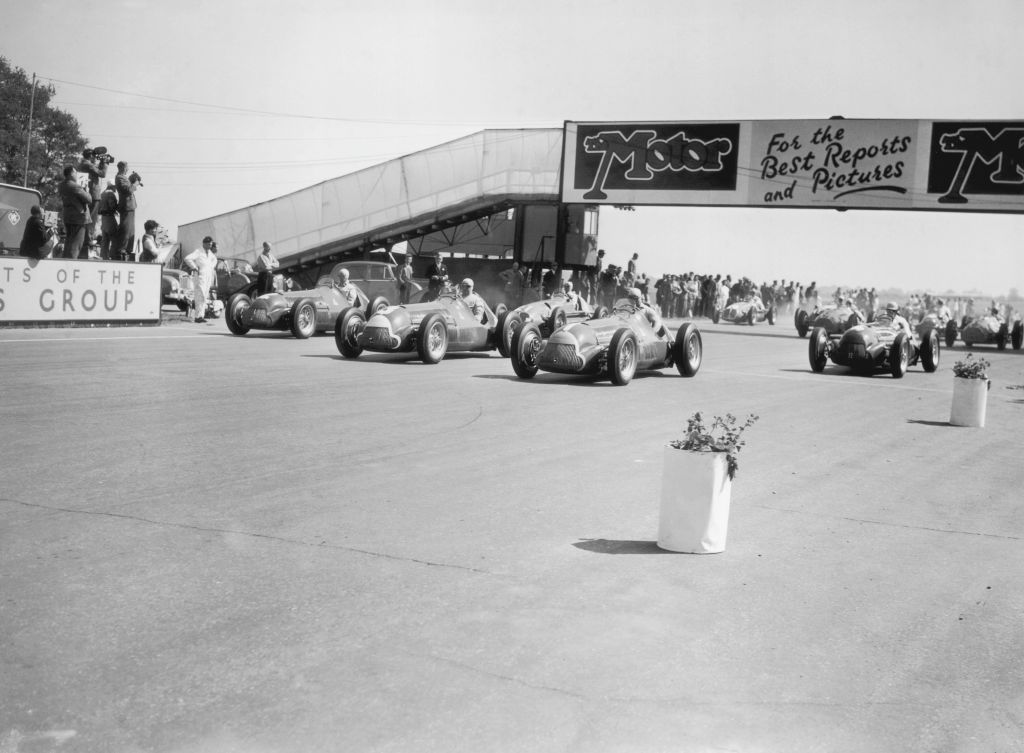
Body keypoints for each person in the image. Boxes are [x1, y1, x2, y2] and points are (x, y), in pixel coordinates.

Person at [58, 165, 92, 259]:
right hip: (78, 218)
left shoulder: (61, 185)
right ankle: (72, 263)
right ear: (72, 173)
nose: (77, 175)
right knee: (77, 244)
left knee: (68, 242)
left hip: (68, 216)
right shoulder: (75, 186)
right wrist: (86, 190)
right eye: (75, 173)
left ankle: (65, 261)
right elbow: (89, 199)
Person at [184, 236, 218, 323]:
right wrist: (194, 267)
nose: (210, 245)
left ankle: (201, 316)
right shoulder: (198, 251)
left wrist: (211, 267)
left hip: (207, 277)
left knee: (205, 296)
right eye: (208, 243)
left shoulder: (210, 253)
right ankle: (197, 316)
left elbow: (215, 260)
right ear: (204, 244)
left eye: (211, 244)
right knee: (200, 295)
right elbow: (187, 258)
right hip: (200, 276)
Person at [114, 161, 141, 261]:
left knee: (130, 229)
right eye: (127, 167)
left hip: (129, 206)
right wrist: (135, 184)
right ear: (123, 168)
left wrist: (132, 180)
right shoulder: (120, 177)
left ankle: (127, 249)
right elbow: (128, 190)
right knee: (126, 228)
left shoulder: (122, 177)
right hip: (126, 206)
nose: (128, 169)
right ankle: (122, 249)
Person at [97, 181, 119, 260]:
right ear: (112, 186)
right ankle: (113, 257)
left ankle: (103, 258)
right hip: (110, 218)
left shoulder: (102, 194)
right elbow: (113, 206)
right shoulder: (110, 194)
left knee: (105, 241)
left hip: (103, 219)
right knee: (115, 240)